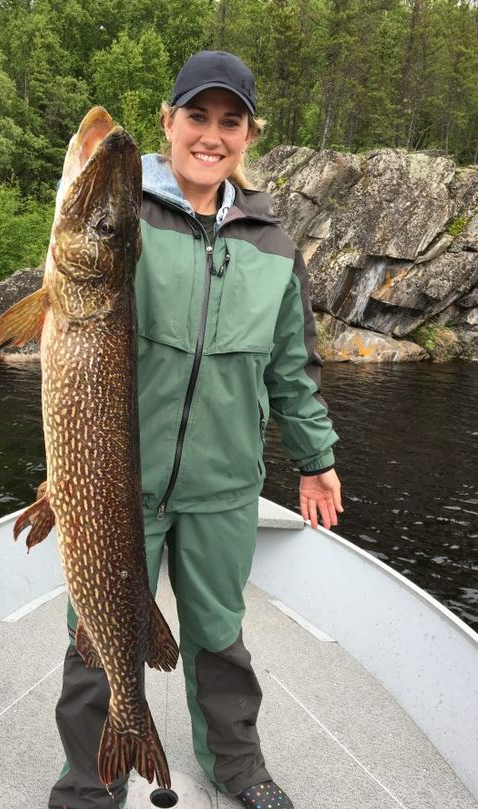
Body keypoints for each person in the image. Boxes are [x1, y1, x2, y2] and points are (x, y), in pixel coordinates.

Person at [48, 50, 343, 809]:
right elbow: (76, 296)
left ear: (248, 135)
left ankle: (237, 766)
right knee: (97, 640)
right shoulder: (126, 219)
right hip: (119, 482)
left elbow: (291, 368)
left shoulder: (274, 246)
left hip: (222, 484)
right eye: (196, 116)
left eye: (229, 121)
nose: (211, 135)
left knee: (219, 636)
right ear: (169, 122)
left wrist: (314, 459)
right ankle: (92, 780)